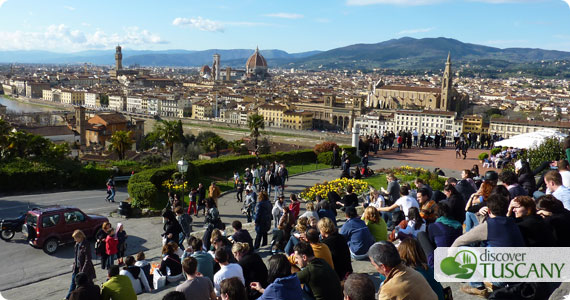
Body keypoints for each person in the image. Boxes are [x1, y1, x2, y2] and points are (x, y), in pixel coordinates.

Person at [452, 194, 525, 297]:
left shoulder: (489, 226)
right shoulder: (511, 221)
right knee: (490, 246)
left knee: (462, 249)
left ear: (489, 211)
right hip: (517, 272)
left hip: (502, 278)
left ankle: (477, 286)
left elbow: (460, 241)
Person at [368, 241, 437, 300]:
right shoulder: (413, 272)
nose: (375, 268)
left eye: (374, 265)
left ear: (383, 267)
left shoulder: (387, 292)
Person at [66, 230, 96, 300]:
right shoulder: (77, 244)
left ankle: (92, 294)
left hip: (84, 269)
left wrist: (83, 271)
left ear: (80, 237)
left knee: (88, 283)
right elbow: (76, 256)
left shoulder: (85, 244)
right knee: (73, 282)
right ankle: (68, 297)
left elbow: (88, 259)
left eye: (75, 238)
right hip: (76, 267)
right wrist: (74, 264)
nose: (74, 240)